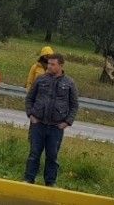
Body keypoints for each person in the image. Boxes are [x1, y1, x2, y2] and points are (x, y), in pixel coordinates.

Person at [23, 52, 78, 187]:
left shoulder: (69, 83)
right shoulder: (40, 79)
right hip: (38, 124)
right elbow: (30, 98)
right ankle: (29, 179)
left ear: (61, 65)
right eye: (48, 64)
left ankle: (50, 182)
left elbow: (74, 105)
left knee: (52, 156)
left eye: (53, 64)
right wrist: (31, 114)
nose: (49, 67)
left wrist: (67, 122)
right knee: (34, 153)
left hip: (56, 127)